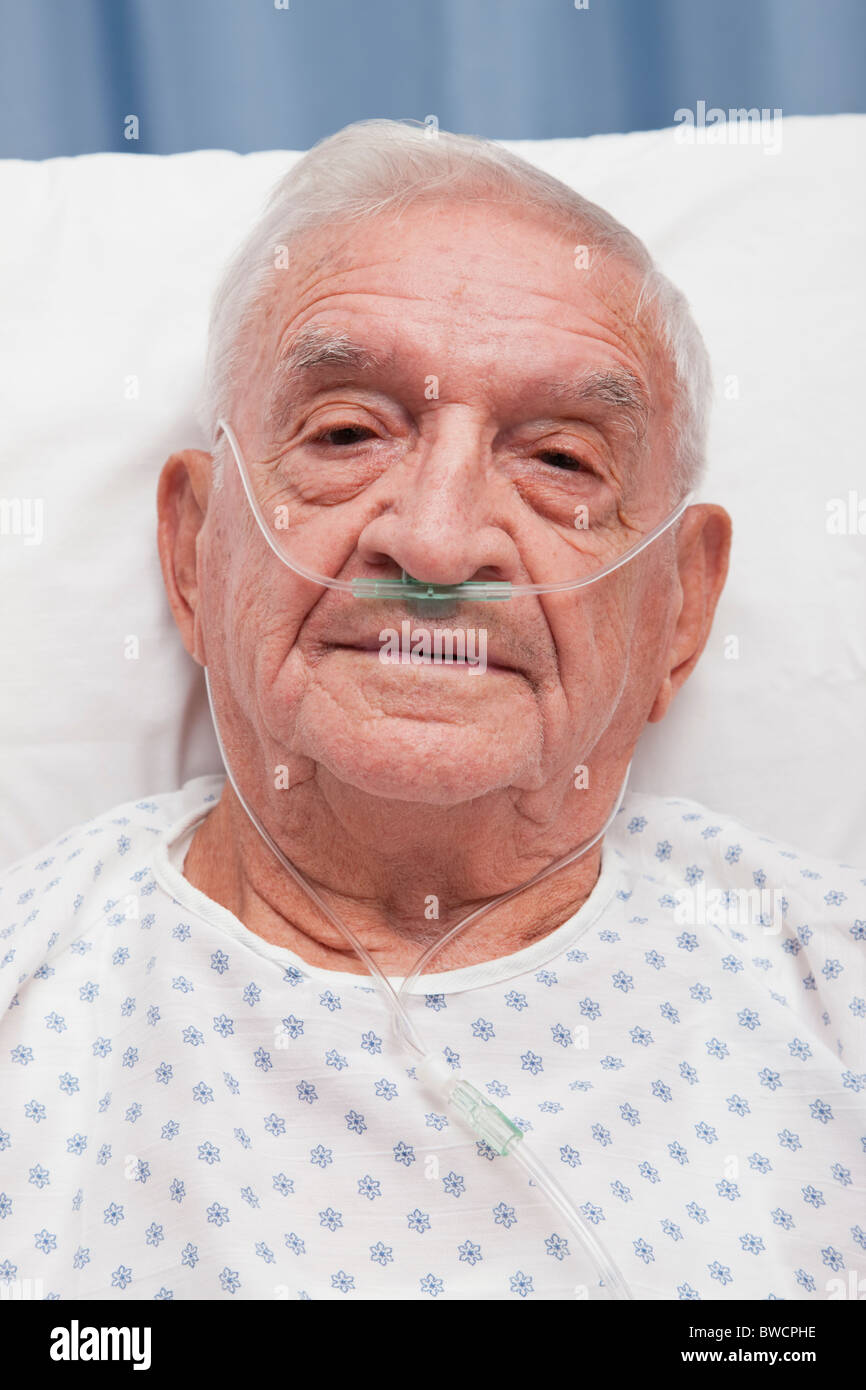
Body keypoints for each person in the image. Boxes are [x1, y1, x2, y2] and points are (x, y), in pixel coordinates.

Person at [0, 120, 861, 1302]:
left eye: (560, 460)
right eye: (347, 433)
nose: (438, 539)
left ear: (679, 606)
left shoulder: (827, 999)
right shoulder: (30, 1005)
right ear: (195, 550)